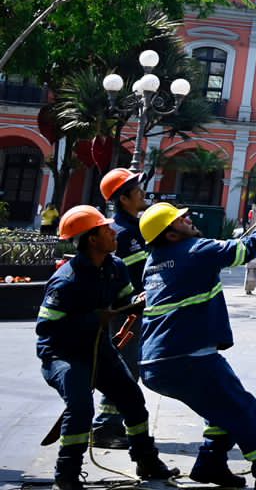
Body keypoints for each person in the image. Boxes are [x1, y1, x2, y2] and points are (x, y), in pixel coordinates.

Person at [138, 195, 256, 490]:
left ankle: (210, 464)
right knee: (241, 408)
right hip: (188, 358)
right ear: (170, 233)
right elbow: (246, 249)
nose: (189, 219)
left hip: (156, 364)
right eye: (182, 219)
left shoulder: (154, 262)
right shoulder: (196, 250)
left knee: (221, 409)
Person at [36, 205, 178, 490]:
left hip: (98, 351)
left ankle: (146, 460)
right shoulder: (66, 281)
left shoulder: (115, 267)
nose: (114, 233)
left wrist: (138, 301)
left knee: (133, 400)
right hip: (62, 355)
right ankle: (67, 473)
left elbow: (125, 298)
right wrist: (89, 320)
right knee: (80, 409)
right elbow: (45, 331)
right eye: (106, 230)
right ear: (92, 239)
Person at [90, 168, 151, 448]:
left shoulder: (134, 228)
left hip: (134, 311)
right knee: (123, 369)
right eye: (137, 189)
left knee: (129, 368)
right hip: (124, 313)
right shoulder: (120, 233)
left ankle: (112, 425)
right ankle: (104, 427)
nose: (143, 192)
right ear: (124, 198)